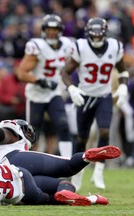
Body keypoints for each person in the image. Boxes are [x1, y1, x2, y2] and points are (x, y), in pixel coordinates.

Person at [61, 17, 129, 191]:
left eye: (100, 36)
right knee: (82, 138)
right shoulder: (81, 46)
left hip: (104, 95)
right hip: (85, 96)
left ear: (105, 34)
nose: (97, 39)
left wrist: (122, 85)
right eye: (94, 36)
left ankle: (99, 169)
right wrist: (72, 89)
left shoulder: (115, 46)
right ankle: (77, 173)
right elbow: (65, 72)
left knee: (104, 130)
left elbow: (122, 70)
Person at [0, 148, 110, 206]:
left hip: (25, 193)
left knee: (54, 200)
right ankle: (85, 157)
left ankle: (92, 199)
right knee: (65, 178)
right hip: (21, 171)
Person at [0, 119, 120, 180]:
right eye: (27, 131)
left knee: (60, 186)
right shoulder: (10, 130)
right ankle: (87, 156)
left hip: (7, 178)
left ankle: (90, 199)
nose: (30, 135)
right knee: (68, 166)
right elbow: (2, 136)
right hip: (12, 159)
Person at [17, 14, 74, 159]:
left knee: (63, 125)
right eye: (49, 29)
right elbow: (22, 73)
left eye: (55, 29)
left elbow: (71, 66)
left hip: (55, 93)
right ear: (43, 30)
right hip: (36, 94)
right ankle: (29, 163)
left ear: (60, 30)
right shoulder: (37, 46)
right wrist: (41, 81)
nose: (52, 32)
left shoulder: (67, 45)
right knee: (33, 133)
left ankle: (67, 163)